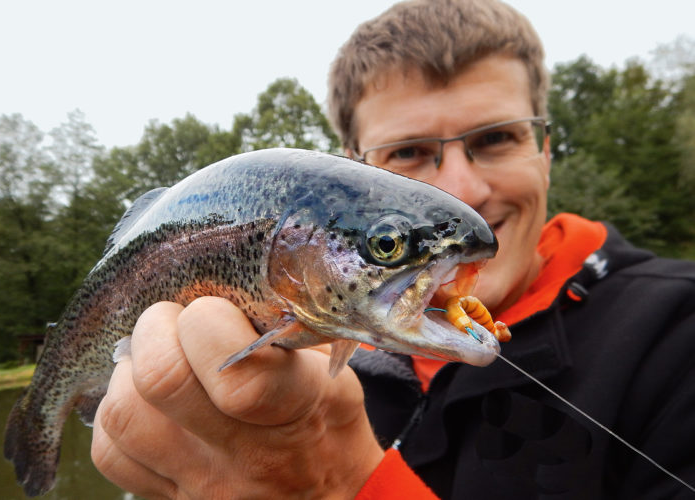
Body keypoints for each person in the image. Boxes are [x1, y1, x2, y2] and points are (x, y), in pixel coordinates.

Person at [90, 0, 695, 498]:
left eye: (497, 138)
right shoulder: (304, 350)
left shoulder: (678, 335)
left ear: (543, 151)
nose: (463, 189)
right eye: (407, 154)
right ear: (351, 172)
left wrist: (343, 485)